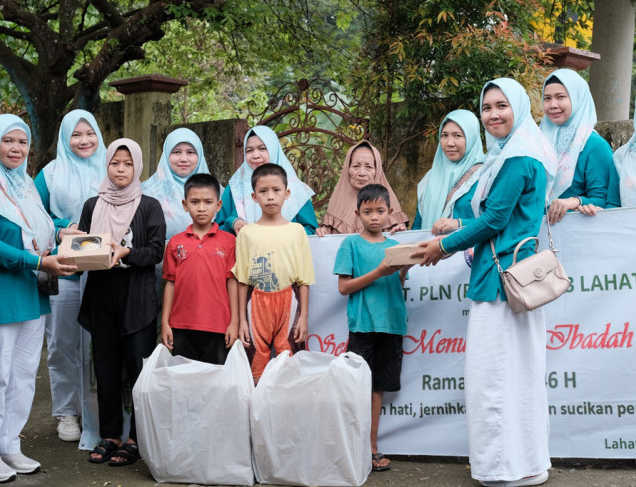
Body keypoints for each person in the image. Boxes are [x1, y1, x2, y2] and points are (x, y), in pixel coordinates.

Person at [413, 78, 556, 486]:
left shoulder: (517, 158)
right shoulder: (511, 154)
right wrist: (457, 230)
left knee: (493, 379)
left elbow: (494, 221)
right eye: (487, 107)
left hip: (502, 281)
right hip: (513, 278)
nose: (493, 114)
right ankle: (523, 464)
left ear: (519, 109)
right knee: (516, 375)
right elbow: (498, 218)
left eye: (501, 106)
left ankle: (503, 468)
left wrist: (444, 245)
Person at [0, 114, 78, 483]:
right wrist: (38, 261)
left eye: (22, 142)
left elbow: (36, 228)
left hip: (30, 290)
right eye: (8, 141)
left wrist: (64, 231)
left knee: (24, 374)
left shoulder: (25, 184)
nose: (16, 148)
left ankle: (9, 443)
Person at [78, 139, 165, 466]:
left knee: (138, 371)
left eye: (128, 164)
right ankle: (110, 434)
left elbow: (156, 251)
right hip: (101, 296)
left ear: (137, 166)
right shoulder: (92, 205)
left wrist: (127, 253)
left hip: (137, 298)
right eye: (115, 163)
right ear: (107, 165)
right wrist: (73, 242)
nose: (121, 170)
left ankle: (136, 438)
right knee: (106, 368)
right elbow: (83, 250)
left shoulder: (149, 206)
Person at [35, 109, 106, 442]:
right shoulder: (49, 174)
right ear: (65, 137)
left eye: (89, 133)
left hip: (104, 271)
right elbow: (33, 216)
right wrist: (63, 227)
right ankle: (66, 411)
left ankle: (95, 409)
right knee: (62, 342)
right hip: (64, 269)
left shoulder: (112, 167)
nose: (84, 140)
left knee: (99, 343)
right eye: (76, 134)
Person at [333, 183, 411, 473]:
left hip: (391, 325)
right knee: (357, 388)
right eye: (368, 212)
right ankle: (351, 447)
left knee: (377, 389)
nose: (374, 217)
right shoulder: (350, 244)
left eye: (380, 211)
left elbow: (397, 284)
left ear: (390, 213)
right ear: (358, 214)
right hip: (363, 326)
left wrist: (404, 269)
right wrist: (379, 271)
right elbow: (343, 287)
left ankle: (371, 446)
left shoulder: (396, 247)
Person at [233, 163, 315, 382]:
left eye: (276, 190)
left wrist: (304, 317)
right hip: (256, 304)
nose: (270, 196)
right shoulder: (247, 234)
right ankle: (256, 412)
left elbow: (304, 279)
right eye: (263, 191)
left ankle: (287, 412)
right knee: (255, 365)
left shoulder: (297, 231)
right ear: (254, 196)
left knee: (290, 363)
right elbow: (241, 280)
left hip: (289, 301)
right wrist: (241, 319)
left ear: (287, 194)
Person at [160, 173, 238, 364]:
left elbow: (233, 282)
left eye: (208, 202)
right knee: (184, 383)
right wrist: (165, 323)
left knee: (216, 383)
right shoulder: (175, 243)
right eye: (195, 202)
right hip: (181, 325)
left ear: (218, 205)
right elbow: (170, 283)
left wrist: (234, 322)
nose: (201, 208)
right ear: (185, 205)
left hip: (218, 326)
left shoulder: (229, 241)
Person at [541, 68, 614, 224]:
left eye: (560, 97)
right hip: (534, 233)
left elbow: (606, 201)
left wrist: (575, 201)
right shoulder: (539, 140)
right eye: (547, 98)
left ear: (577, 98)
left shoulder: (594, 146)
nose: (552, 104)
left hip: (572, 233)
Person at [216, 125, 318, 235]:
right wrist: (233, 222)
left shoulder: (295, 189)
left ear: (274, 149)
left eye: (262, 149)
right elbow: (217, 228)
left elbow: (311, 230)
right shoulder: (235, 188)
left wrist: (282, 235)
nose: (255, 155)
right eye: (249, 150)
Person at [411, 110, 485, 233]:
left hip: (470, 251)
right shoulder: (431, 177)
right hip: (431, 250)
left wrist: (459, 223)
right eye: (444, 135)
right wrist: (403, 235)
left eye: (457, 135)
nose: (449, 143)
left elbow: (495, 221)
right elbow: (418, 224)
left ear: (472, 138)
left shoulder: (484, 175)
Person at [317, 140, 408, 235]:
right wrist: (322, 233)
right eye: (356, 166)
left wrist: (400, 233)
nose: (362, 173)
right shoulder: (336, 203)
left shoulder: (389, 203)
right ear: (347, 169)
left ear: (377, 171)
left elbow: (400, 242)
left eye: (369, 167)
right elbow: (327, 240)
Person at [142, 127, 213, 240]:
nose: (183, 159)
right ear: (166, 155)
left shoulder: (216, 192)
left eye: (190, 152)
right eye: (176, 152)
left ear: (199, 155)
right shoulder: (146, 192)